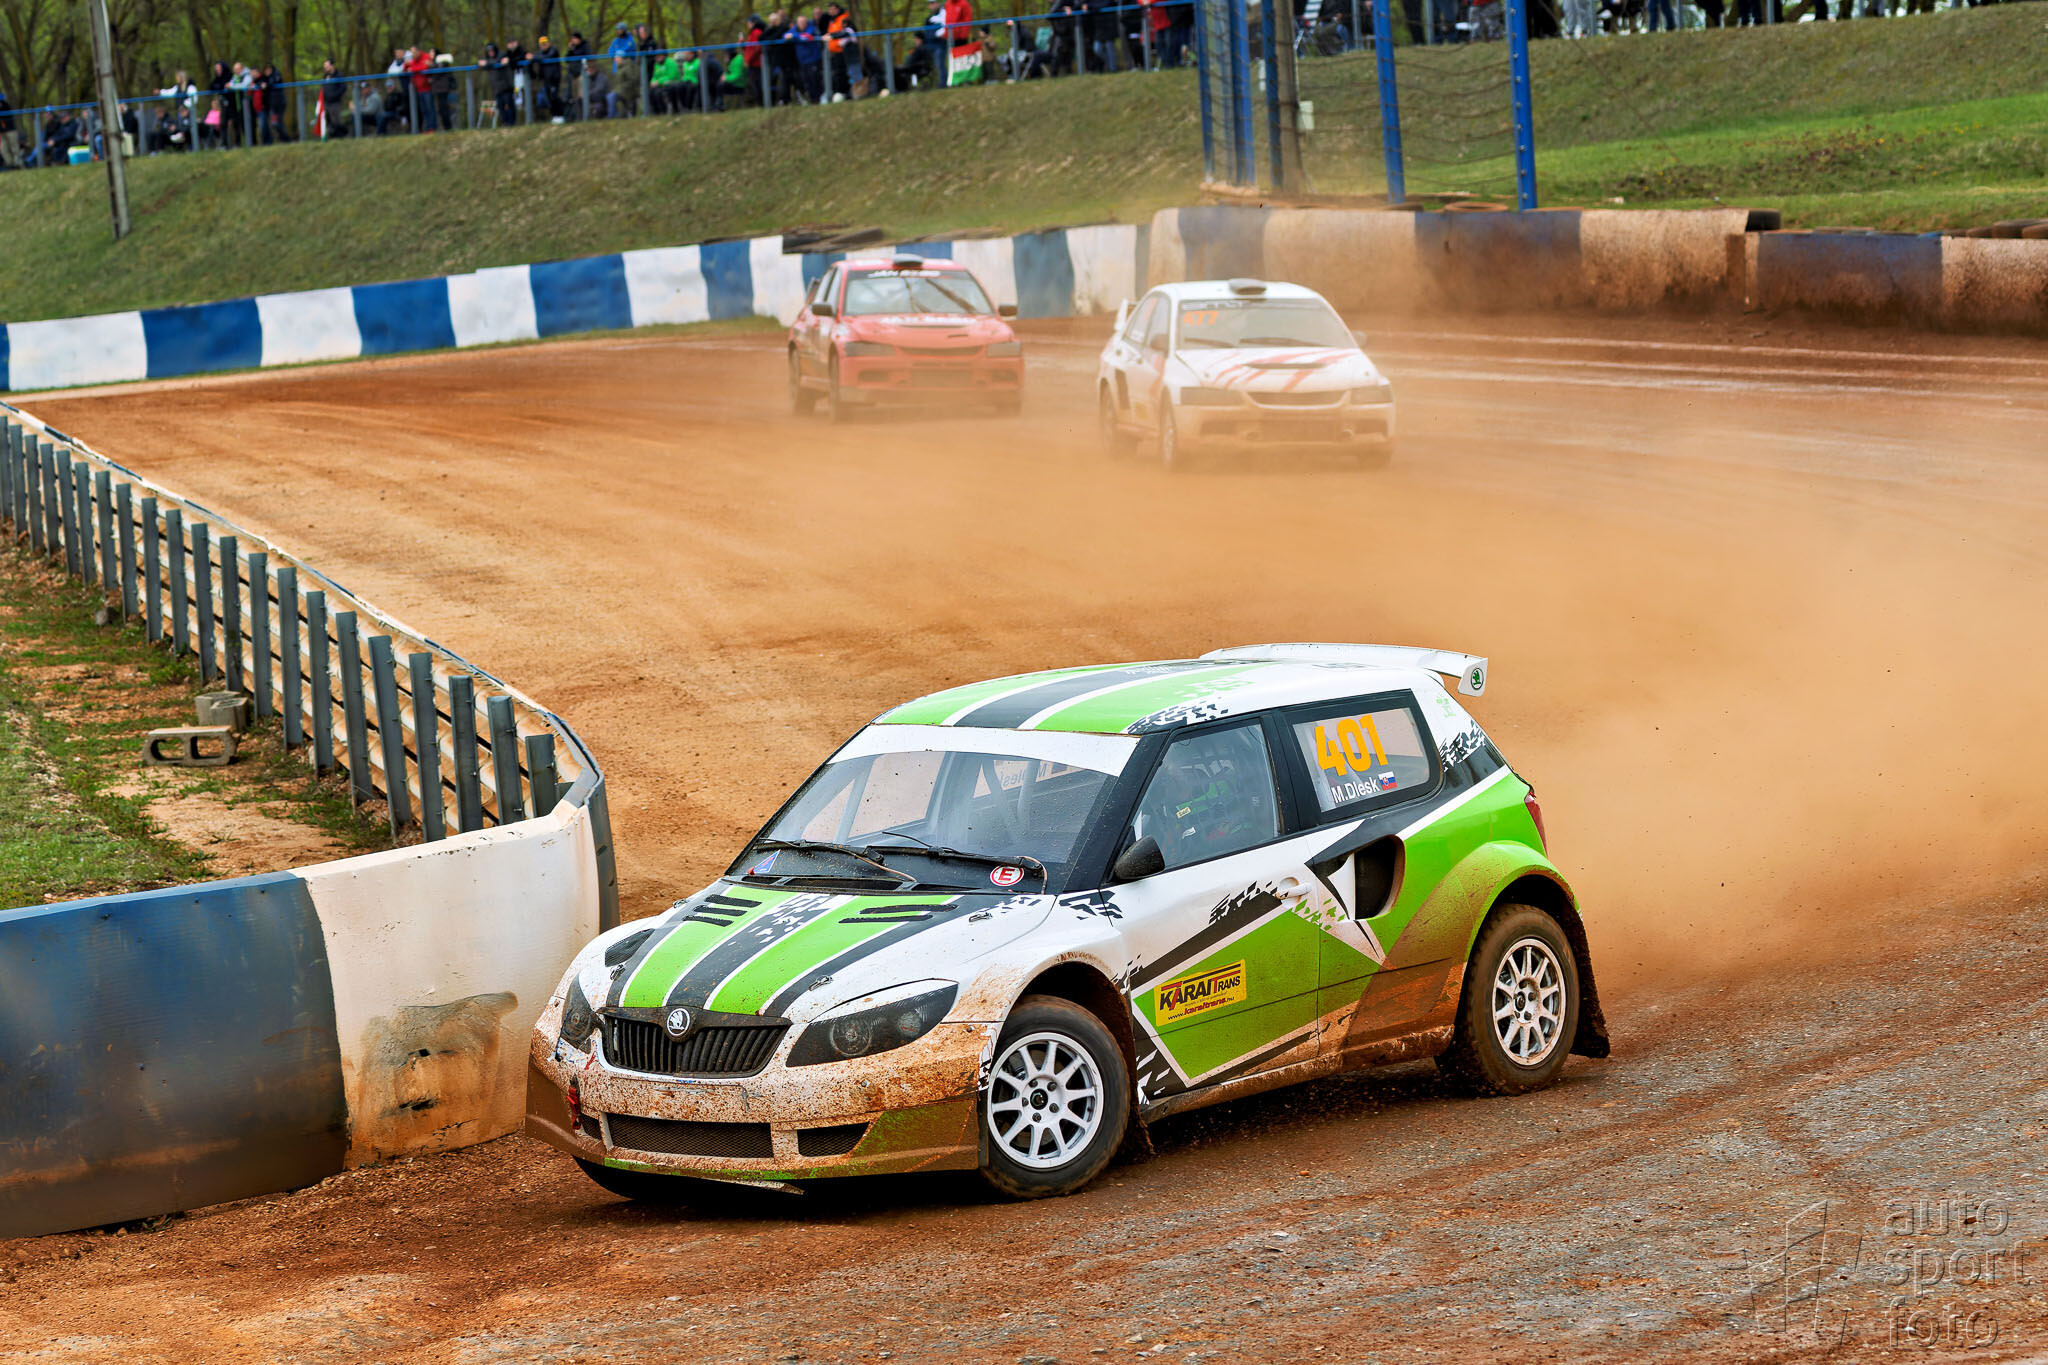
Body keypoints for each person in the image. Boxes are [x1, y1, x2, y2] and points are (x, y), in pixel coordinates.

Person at [533, 35, 564, 119]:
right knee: (548, 97)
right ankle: (554, 115)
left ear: (548, 43)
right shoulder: (539, 53)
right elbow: (536, 58)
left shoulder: (553, 51)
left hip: (554, 78)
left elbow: (545, 57)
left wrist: (534, 57)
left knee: (554, 96)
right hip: (545, 79)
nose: (543, 45)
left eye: (545, 43)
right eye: (541, 44)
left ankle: (560, 115)